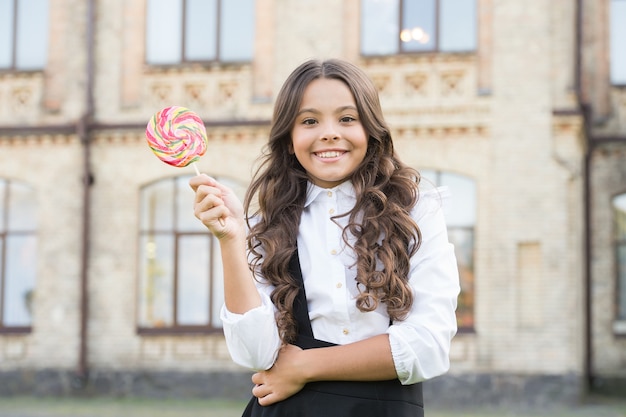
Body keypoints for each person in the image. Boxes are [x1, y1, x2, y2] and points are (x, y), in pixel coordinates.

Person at [189, 58, 460, 417]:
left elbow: (428, 346)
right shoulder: (266, 227)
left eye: (347, 119)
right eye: (309, 121)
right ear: (288, 139)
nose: (329, 132)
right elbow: (256, 354)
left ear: (371, 131)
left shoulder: (416, 212)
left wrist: (304, 367)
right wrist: (231, 240)